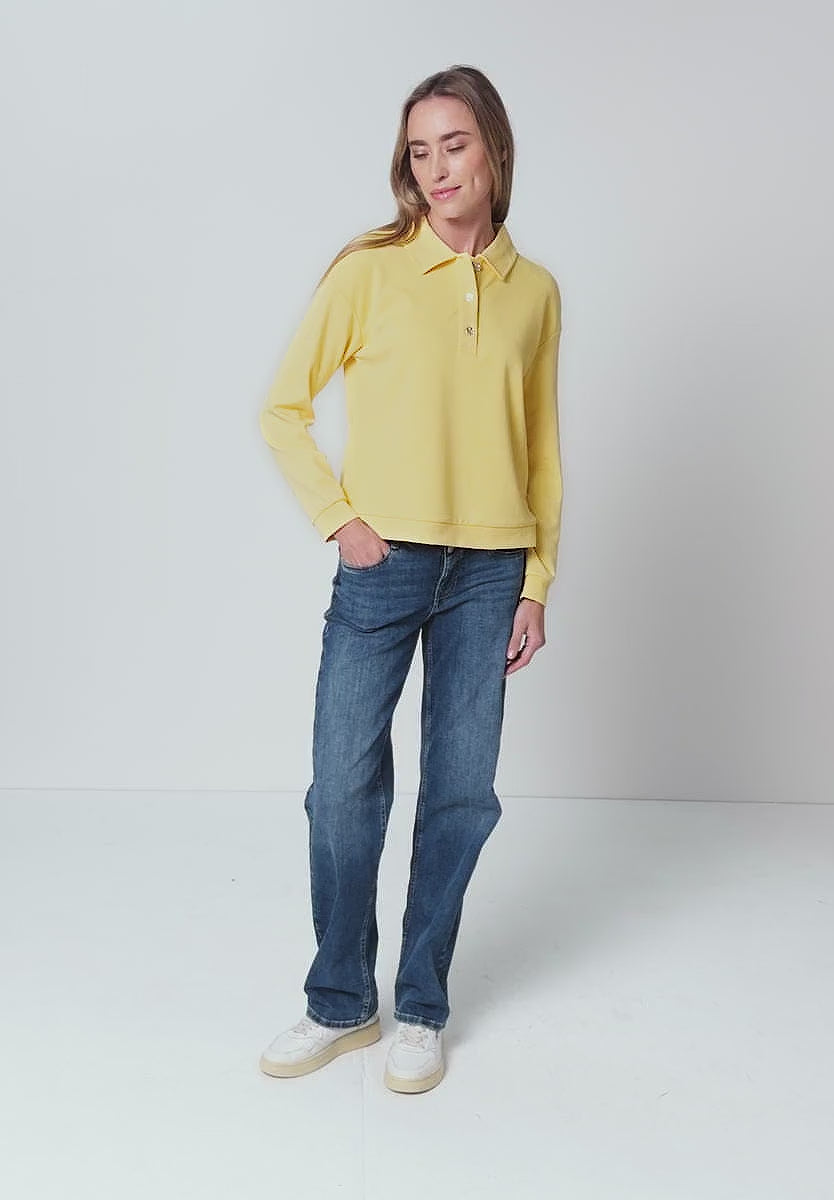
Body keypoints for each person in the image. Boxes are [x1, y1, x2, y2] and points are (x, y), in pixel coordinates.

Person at [257, 64, 563, 1094]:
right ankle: (340, 1000)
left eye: (455, 145)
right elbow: (282, 408)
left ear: (495, 151)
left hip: (491, 572)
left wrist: (537, 580)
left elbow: (542, 449)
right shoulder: (370, 271)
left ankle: (421, 1005)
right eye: (420, 150)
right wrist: (340, 520)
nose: (437, 168)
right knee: (342, 788)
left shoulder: (535, 292)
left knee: (461, 795)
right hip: (383, 563)